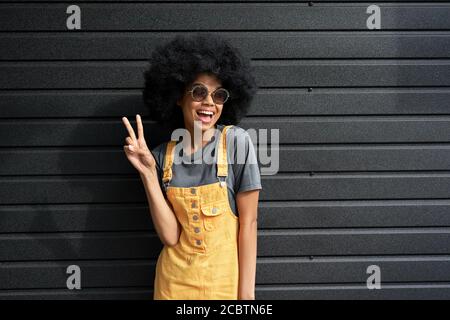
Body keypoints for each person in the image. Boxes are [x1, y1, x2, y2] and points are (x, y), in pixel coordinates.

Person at [121, 33, 261, 300]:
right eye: (199, 92)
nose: (209, 102)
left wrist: (246, 296)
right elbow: (171, 237)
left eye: (218, 95)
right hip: (172, 286)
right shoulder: (163, 156)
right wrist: (149, 174)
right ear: (177, 97)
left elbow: (249, 223)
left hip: (223, 288)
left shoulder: (236, 143)